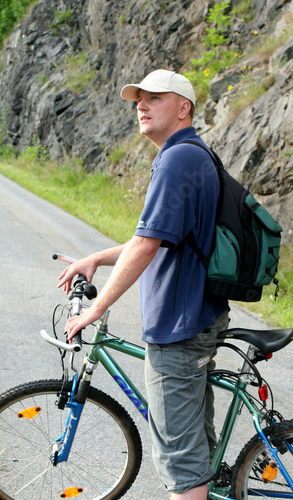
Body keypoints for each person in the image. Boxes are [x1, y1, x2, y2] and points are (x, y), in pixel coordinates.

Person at [58, 69, 228, 500]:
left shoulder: (177, 159)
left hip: (181, 327)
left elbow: (148, 245)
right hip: (198, 316)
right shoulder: (191, 154)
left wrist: (96, 309)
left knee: (181, 465)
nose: (141, 105)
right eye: (138, 99)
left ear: (183, 107)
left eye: (154, 97)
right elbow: (152, 237)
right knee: (195, 449)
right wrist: (96, 257)